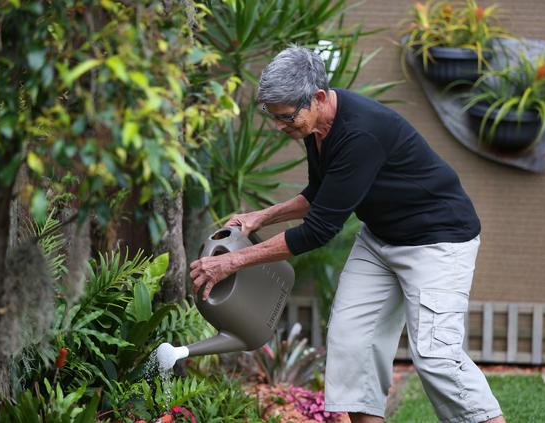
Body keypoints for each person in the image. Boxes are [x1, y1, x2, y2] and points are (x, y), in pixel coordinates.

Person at [189, 46, 505, 423]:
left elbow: (318, 230)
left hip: (437, 241)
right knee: (352, 345)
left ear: (318, 98)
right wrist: (262, 217)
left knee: (438, 356)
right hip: (381, 239)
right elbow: (322, 192)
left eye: (285, 117)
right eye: (271, 117)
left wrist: (233, 261)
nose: (278, 126)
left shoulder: (360, 134)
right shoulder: (315, 127)